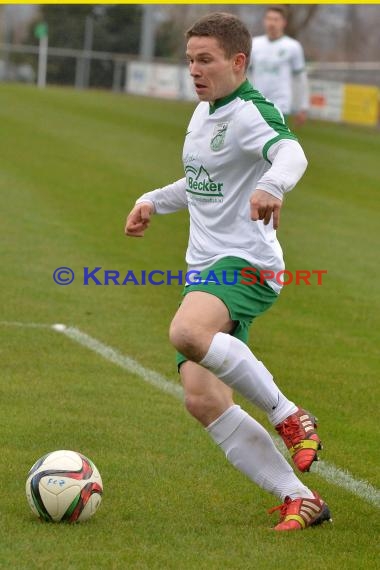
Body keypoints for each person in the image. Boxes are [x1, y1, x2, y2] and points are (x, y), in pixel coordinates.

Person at [125, 12, 331, 531]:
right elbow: (200, 182)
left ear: (238, 62)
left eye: (206, 60)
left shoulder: (249, 111)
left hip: (246, 265)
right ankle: (299, 498)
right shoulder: (205, 113)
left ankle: (289, 416)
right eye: (190, 60)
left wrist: (274, 186)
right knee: (202, 397)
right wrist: (153, 199)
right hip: (207, 272)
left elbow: (291, 151)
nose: (194, 70)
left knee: (188, 332)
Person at [250, 5, 309, 126]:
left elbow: (300, 78)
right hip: (255, 103)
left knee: (275, 143)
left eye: (276, 19)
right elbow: (246, 74)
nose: (272, 23)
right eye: (269, 18)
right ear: (264, 21)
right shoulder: (254, 44)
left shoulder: (293, 46)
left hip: (280, 105)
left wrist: (302, 107)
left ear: (284, 23)